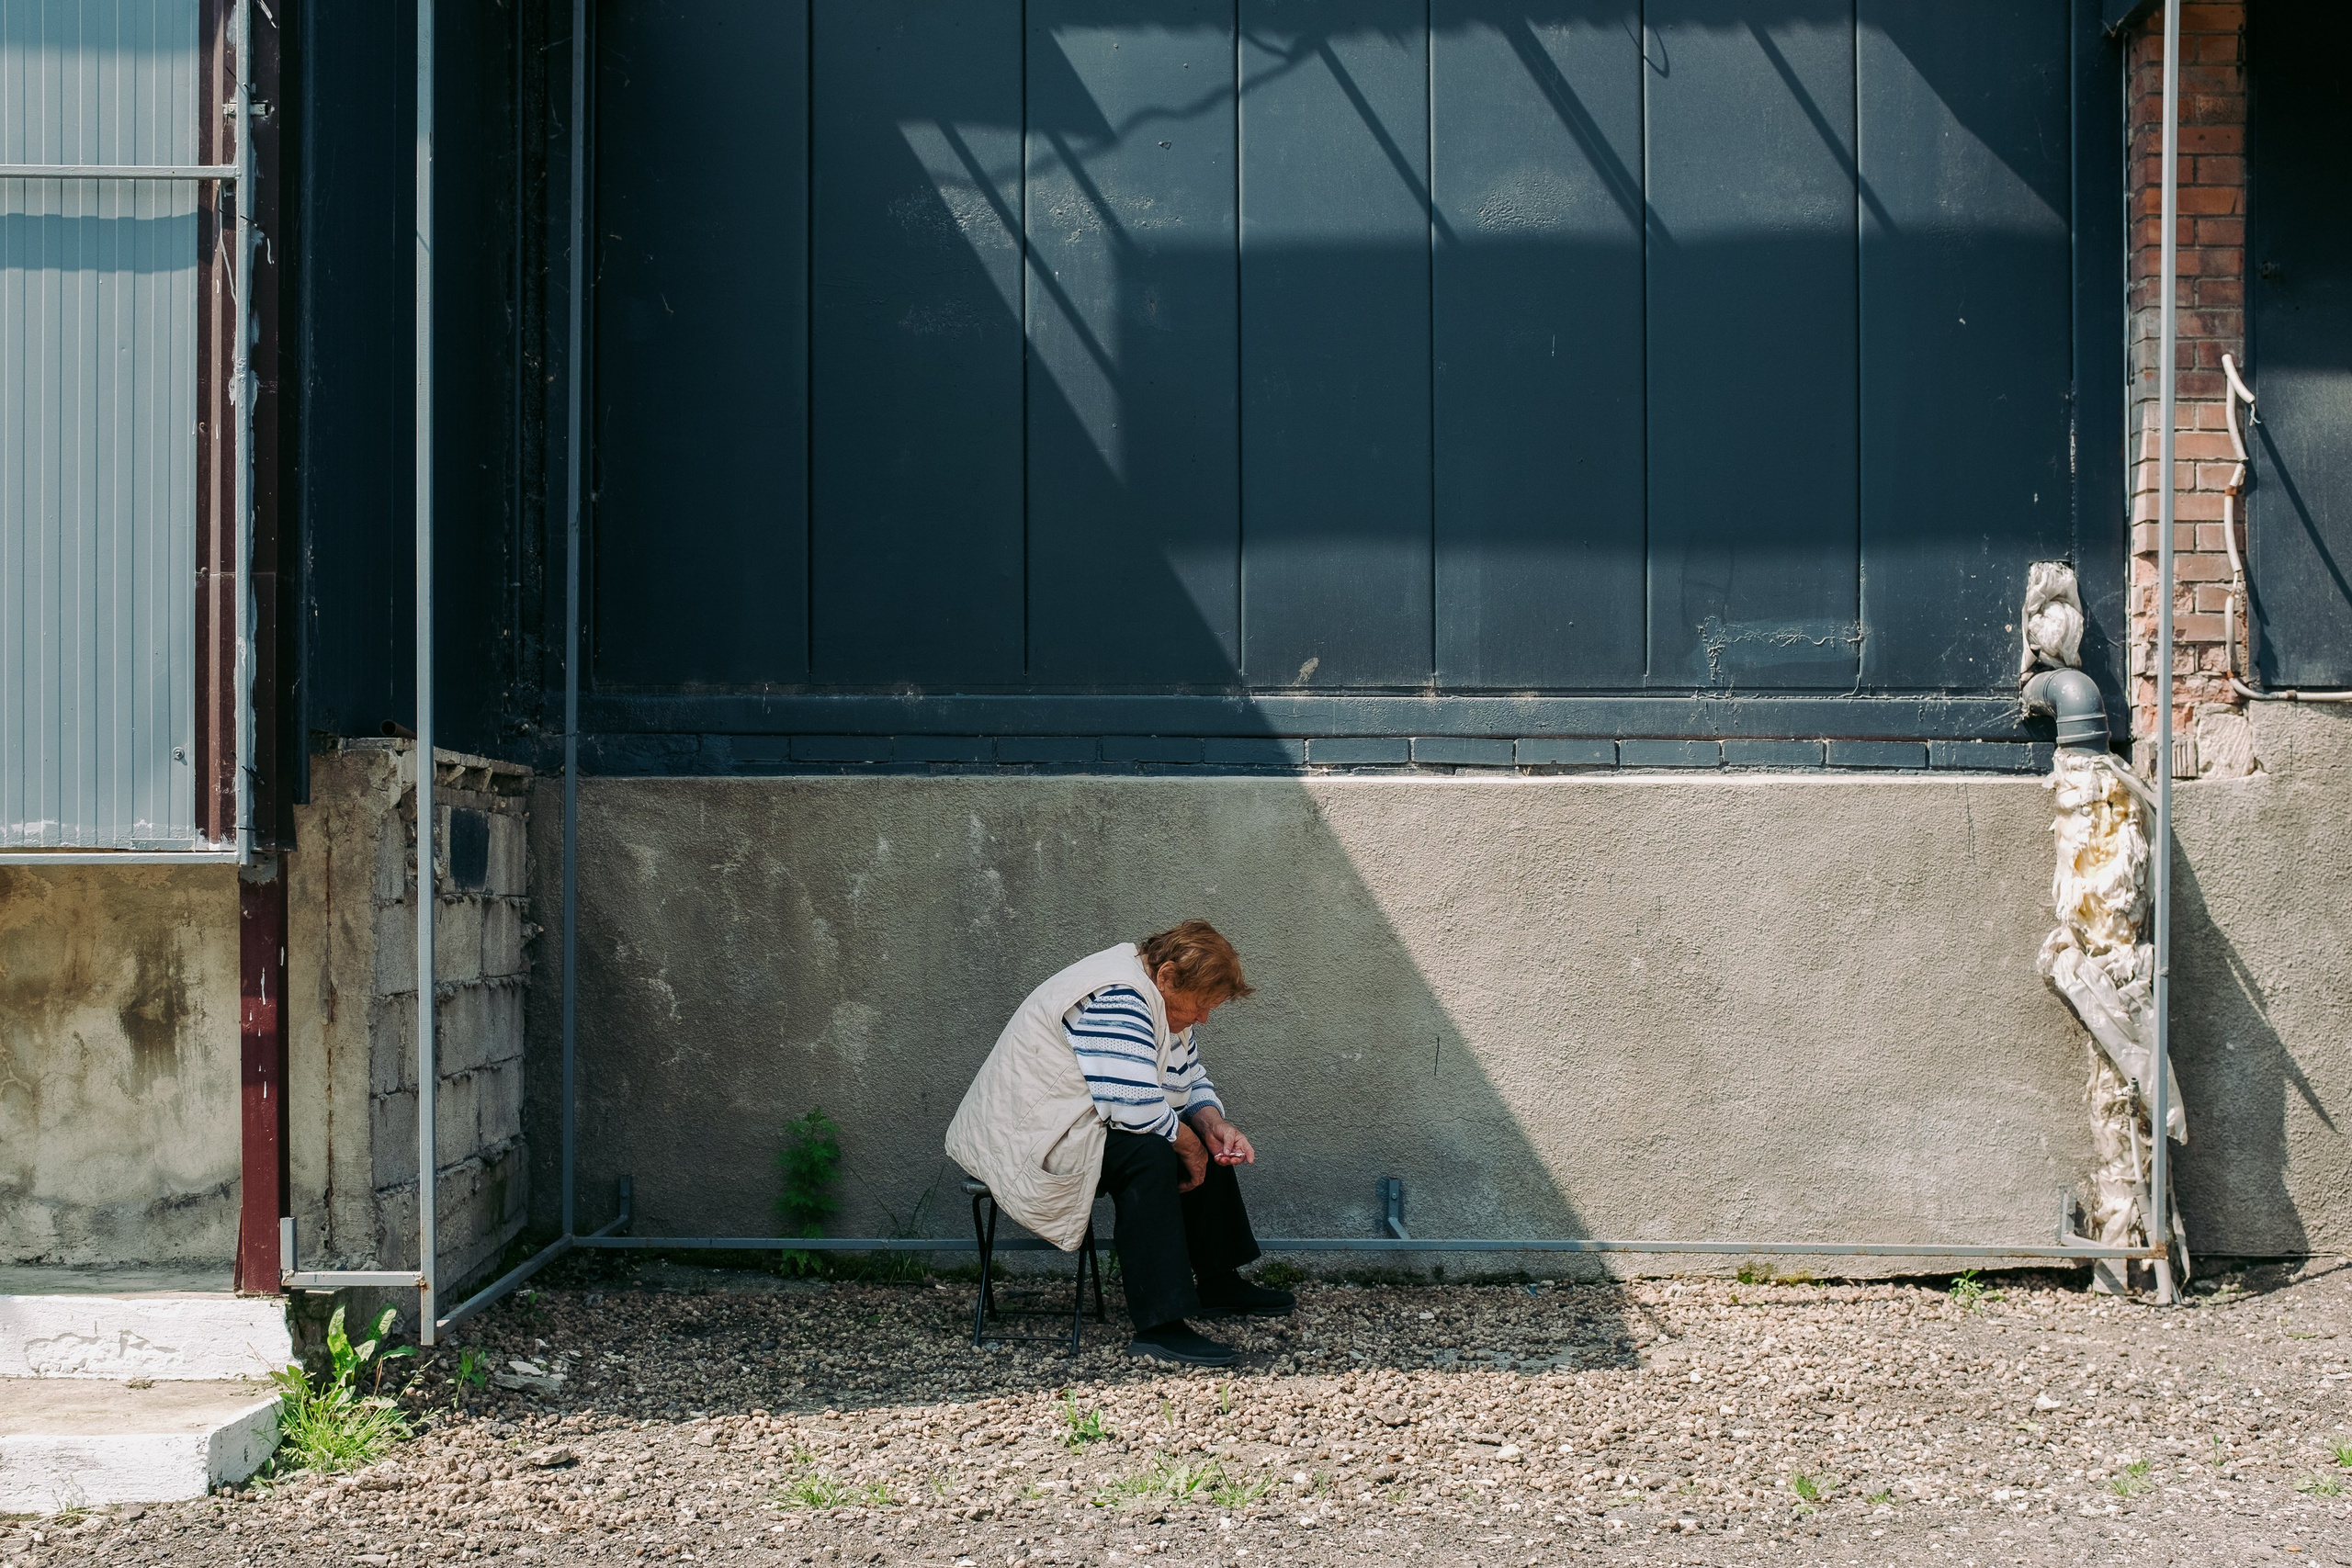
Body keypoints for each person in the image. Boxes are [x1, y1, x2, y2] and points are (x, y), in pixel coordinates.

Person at [944, 920, 1292, 1367]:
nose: (1205, 1017)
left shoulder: (1164, 999)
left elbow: (1186, 1080)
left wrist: (1212, 1125)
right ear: (1167, 975)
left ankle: (1218, 1282)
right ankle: (1160, 1325)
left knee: (1202, 1140)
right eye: (1202, 1004)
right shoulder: (1119, 997)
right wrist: (1188, 1142)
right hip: (1028, 1140)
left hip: (1077, 1122)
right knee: (1150, 1151)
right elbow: (1133, 1107)